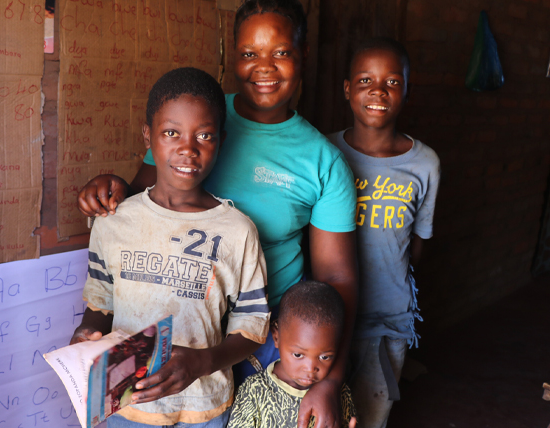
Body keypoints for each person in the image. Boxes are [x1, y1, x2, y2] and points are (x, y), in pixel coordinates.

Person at [78, 1, 358, 426]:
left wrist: (328, 381)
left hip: (268, 342)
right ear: (232, 57)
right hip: (173, 327)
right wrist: (109, 186)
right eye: (250, 53)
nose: (264, 67)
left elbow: (337, 281)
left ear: (303, 56)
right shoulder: (196, 107)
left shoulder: (323, 161)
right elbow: (140, 201)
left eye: (281, 52)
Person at [70, 67, 270, 428]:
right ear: (148, 136)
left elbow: (252, 327)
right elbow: (101, 303)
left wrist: (202, 363)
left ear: (221, 141)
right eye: (171, 133)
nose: (187, 149)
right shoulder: (114, 220)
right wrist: (86, 335)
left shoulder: (237, 231)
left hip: (203, 408)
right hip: (124, 403)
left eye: (204, 135)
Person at [327, 37, 441, 428]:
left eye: (392, 81)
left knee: (372, 415)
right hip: (328, 319)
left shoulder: (424, 164)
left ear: (407, 90)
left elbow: (417, 245)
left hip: (388, 320)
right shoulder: (325, 152)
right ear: (347, 89)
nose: (377, 91)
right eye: (364, 80)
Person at [228, 281, 357, 428]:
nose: (310, 368)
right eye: (298, 355)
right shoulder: (254, 391)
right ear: (276, 337)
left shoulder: (339, 394)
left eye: (324, 357)